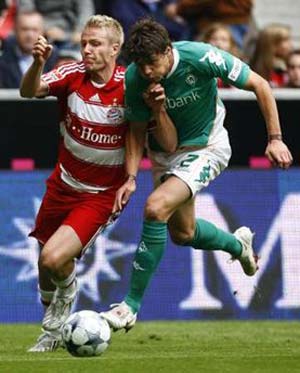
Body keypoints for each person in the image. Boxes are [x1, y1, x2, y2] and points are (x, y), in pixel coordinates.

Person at [100, 18, 293, 331]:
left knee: (155, 207)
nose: (146, 71)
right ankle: (237, 245)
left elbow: (260, 84)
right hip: (165, 154)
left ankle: (129, 306)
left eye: (151, 63)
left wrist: (275, 138)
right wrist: (131, 176)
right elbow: (139, 132)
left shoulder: (201, 56)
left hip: (207, 148)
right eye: (140, 64)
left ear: (167, 50)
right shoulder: (136, 79)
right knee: (183, 234)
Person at [19, 14, 176, 353]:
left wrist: (158, 112)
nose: (86, 50)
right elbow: (28, 91)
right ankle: (52, 330)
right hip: (62, 185)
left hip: (100, 196)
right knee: (46, 268)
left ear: (115, 49)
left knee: (52, 259)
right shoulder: (71, 75)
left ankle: (69, 294)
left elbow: (161, 141)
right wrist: (37, 64)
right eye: (84, 43)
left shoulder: (131, 86)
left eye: (95, 44)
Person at [0, 10, 58, 88]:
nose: (29, 35)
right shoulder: (3, 59)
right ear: (15, 30)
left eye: (34, 30)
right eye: (25, 29)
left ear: (43, 32)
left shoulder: (55, 59)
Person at [18, 0, 95, 50]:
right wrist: (46, 28)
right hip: (41, 27)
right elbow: (26, 9)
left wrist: (80, 31)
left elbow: (85, 10)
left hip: (71, 31)